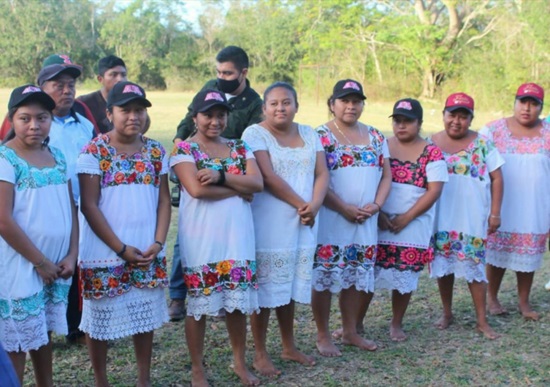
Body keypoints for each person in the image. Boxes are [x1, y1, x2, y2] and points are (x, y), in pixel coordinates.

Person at [77, 81, 170, 386]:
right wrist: (119, 249)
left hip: (146, 249)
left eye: (139, 110)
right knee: (100, 320)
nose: (134, 116)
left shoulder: (156, 150)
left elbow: (163, 201)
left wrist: (157, 242)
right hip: (105, 252)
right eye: (125, 110)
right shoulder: (95, 150)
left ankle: (143, 378)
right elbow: (90, 206)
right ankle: (101, 380)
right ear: (108, 113)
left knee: (144, 315)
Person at [170, 89, 263, 387]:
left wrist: (221, 177)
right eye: (208, 114)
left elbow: (258, 183)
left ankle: (239, 361)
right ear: (194, 117)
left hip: (238, 236)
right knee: (199, 305)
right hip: (202, 238)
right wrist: (240, 188)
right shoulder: (184, 150)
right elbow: (197, 191)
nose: (215, 121)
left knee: (236, 303)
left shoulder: (239, 146)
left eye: (221, 115)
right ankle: (198, 369)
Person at [168, 46, 263, 321]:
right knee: (187, 244)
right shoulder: (210, 89)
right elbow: (197, 189)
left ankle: (225, 298)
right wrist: (181, 147)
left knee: (230, 247)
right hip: (202, 166)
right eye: (219, 71)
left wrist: (228, 178)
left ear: (243, 73)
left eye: (228, 73)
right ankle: (177, 296)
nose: (222, 77)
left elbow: (254, 174)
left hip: (232, 162)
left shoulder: (253, 103)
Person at [242, 82, 329, 376]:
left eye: (286, 102)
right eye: (274, 103)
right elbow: (267, 176)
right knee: (266, 288)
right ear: (264, 107)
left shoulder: (309, 133)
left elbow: (322, 173)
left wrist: (314, 205)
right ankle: (260, 352)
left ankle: (289, 346)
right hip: (269, 222)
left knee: (289, 286)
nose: (281, 108)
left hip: (304, 221)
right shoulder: (254, 134)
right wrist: (302, 204)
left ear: (296, 105)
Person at [0, 85, 78, 385]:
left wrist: (72, 254)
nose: (34, 125)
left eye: (42, 117)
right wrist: (40, 261)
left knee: (42, 330)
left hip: (56, 265)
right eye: (25, 118)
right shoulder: (6, 159)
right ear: (12, 119)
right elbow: (4, 220)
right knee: (17, 339)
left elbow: (71, 208)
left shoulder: (56, 155)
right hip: (21, 264)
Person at [312, 79, 391, 357]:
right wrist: (342, 206)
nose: (350, 106)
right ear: (332, 104)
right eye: (344, 100)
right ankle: (323, 334)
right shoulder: (318, 136)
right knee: (324, 276)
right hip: (332, 220)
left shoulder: (376, 136)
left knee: (355, 275)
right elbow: (316, 177)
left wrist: (377, 205)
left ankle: (349, 331)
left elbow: (386, 175)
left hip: (365, 221)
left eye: (356, 101)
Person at [430, 93, 503, 339]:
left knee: (475, 268)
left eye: (463, 116)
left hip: (472, 218)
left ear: (471, 119)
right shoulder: (431, 143)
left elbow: (497, 178)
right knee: (445, 266)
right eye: (452, 115)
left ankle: (481, 320)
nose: (457, 121)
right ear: (443, 114)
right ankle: (447, 312)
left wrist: (495, 213)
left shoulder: (483, 144)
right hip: (442, 217)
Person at [375, 98, 448, 342]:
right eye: (397, 120)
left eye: (408, 121)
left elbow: (434, 190)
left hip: (413, 222)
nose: (402, 126)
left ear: (420, 123)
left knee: (403, 275)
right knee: (368, 272)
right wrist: (379, 214)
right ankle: (355, 324)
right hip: (380, 220)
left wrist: (407, 217)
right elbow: (371, 180)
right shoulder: (381, 146)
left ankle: (396, 323)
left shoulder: (431, 152)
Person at [480, 83, 550, 320]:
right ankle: (492, 297)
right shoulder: (493, 131)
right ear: (515, 102)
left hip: (535, 207)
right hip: (502, 206)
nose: (527, 109)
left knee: (528, 257)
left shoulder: (548, 133)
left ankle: (524, 302)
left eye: (534, 104)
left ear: (541, 107)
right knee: (497, 254)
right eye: (523, 102)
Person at [77, 55, 128, 134]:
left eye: (123, 75)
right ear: (100, 79)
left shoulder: (131, 102)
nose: (120, 79)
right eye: (114, 75)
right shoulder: (83, 104)